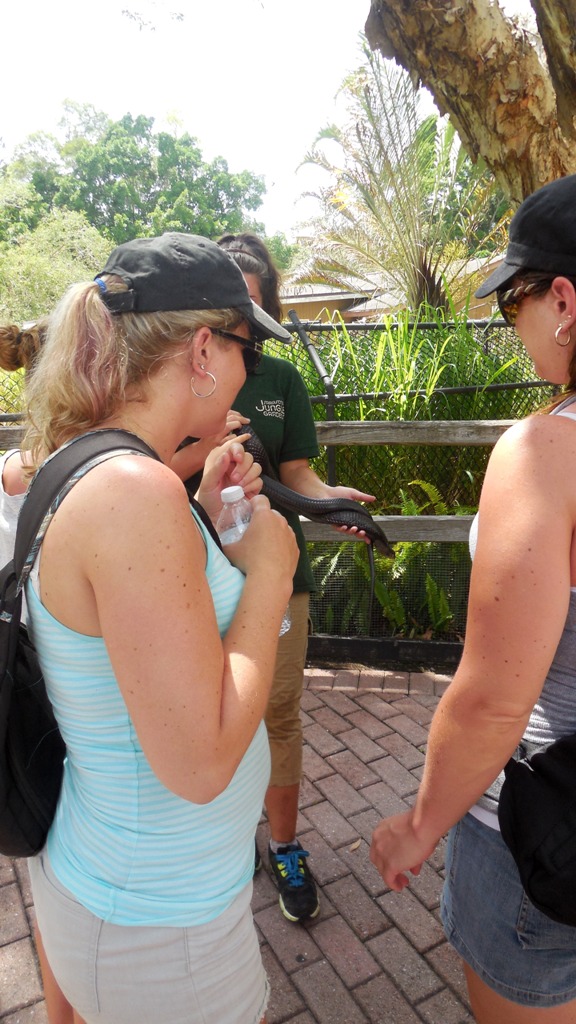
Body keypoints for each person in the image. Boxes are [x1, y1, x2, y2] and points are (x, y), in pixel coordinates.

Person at [20, 233, 299, 1024]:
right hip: (160, 923)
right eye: (246, 348)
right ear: (203, 352)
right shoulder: (135, 493)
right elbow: (201, 762)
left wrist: (203, 516)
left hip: (144, 896)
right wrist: (270, 574)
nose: (250, 371)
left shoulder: (93, 465)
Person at [370, 173, 576, 1023]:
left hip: (546, 831)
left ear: (563, 300)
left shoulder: (546, 454)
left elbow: (495, 699)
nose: (511, 324)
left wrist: (420, 823)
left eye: (513, 301)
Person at [217, 233, 376, 922]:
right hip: (197, 573)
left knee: (277, 712)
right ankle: (227, 843)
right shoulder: (180, 372)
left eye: (253, 304)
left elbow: (297, 477)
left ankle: (283, 845)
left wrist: (330, 501)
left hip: (280, 575)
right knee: (210, 713)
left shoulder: (281, 380)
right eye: (229, 303)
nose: (241, 319)